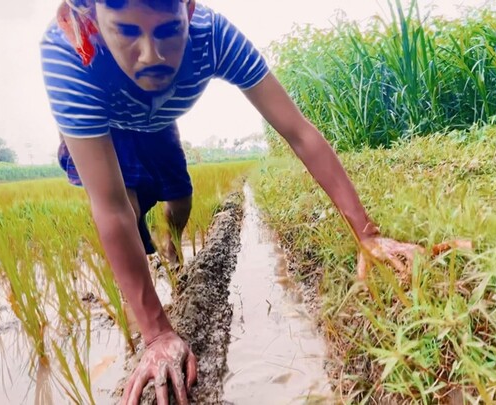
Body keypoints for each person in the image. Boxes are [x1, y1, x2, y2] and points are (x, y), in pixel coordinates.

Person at [39, 0, 432, 403]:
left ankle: (171, 248)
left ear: (188, 11)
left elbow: (298, 132)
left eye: (167, 32)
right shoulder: (70, 55)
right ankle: (143, 312)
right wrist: (159, 334)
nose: (151, 55)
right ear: (90, 20)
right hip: (108, 126)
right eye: (126, 32)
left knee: (181, 201)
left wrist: (368, 235)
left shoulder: (213, 36)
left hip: (159, 124)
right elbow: (110, 205)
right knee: (132, 204)